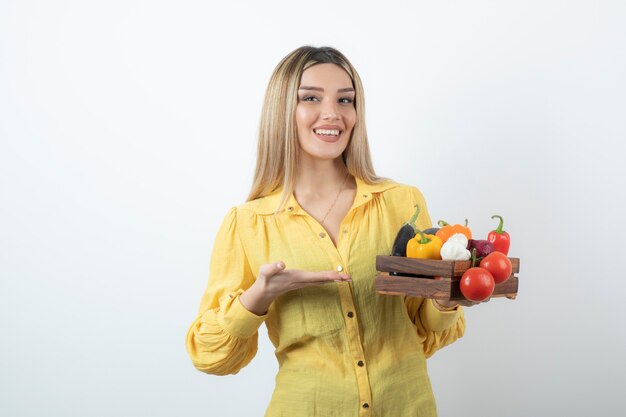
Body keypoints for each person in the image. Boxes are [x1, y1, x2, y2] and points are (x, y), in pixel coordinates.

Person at [186, 45, 465, 417]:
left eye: (345, 100)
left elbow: (426, 332)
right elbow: (211, 358)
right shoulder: (248, 224)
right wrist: (258, 296)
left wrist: (447, 298)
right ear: (283, 111)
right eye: (311, 98)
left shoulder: (401, 203)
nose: (333, 113)